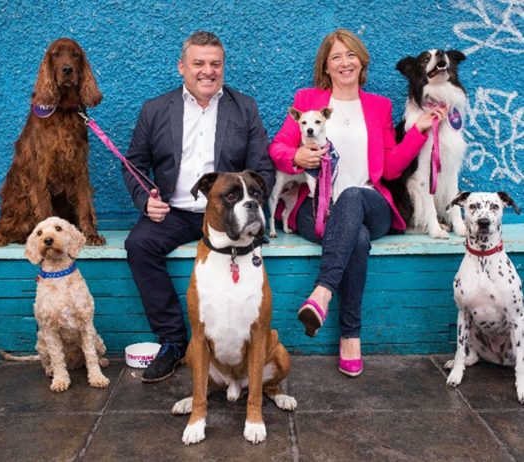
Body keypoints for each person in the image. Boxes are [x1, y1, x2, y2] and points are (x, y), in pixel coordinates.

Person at [268, 29, 447, 377]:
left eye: (351, 55)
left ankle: (322, 292)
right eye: (336, 57)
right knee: (358, 239)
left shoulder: (379, 106)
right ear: (326, 66)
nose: (344, 62)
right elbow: (277, 149)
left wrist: (418, 131)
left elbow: (391, 168)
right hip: (317, 207)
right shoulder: (307, 99)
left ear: (361, 61)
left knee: (351, 196)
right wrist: (297, 157)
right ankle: (350, 337)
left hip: (369, 203)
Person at [123, 31, 275, 383]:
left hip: (228, 215)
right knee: (139, 245)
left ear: (223, 67)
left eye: (215, 64)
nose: (208, 71)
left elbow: (262, 169)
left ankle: (240, 346)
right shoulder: (155, 109)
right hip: (174, 212)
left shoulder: (245, 107)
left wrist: (249, 206)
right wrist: (146, 199)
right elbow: (133, 164)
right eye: (199, 63)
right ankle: (174, 342)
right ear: (182, 67)